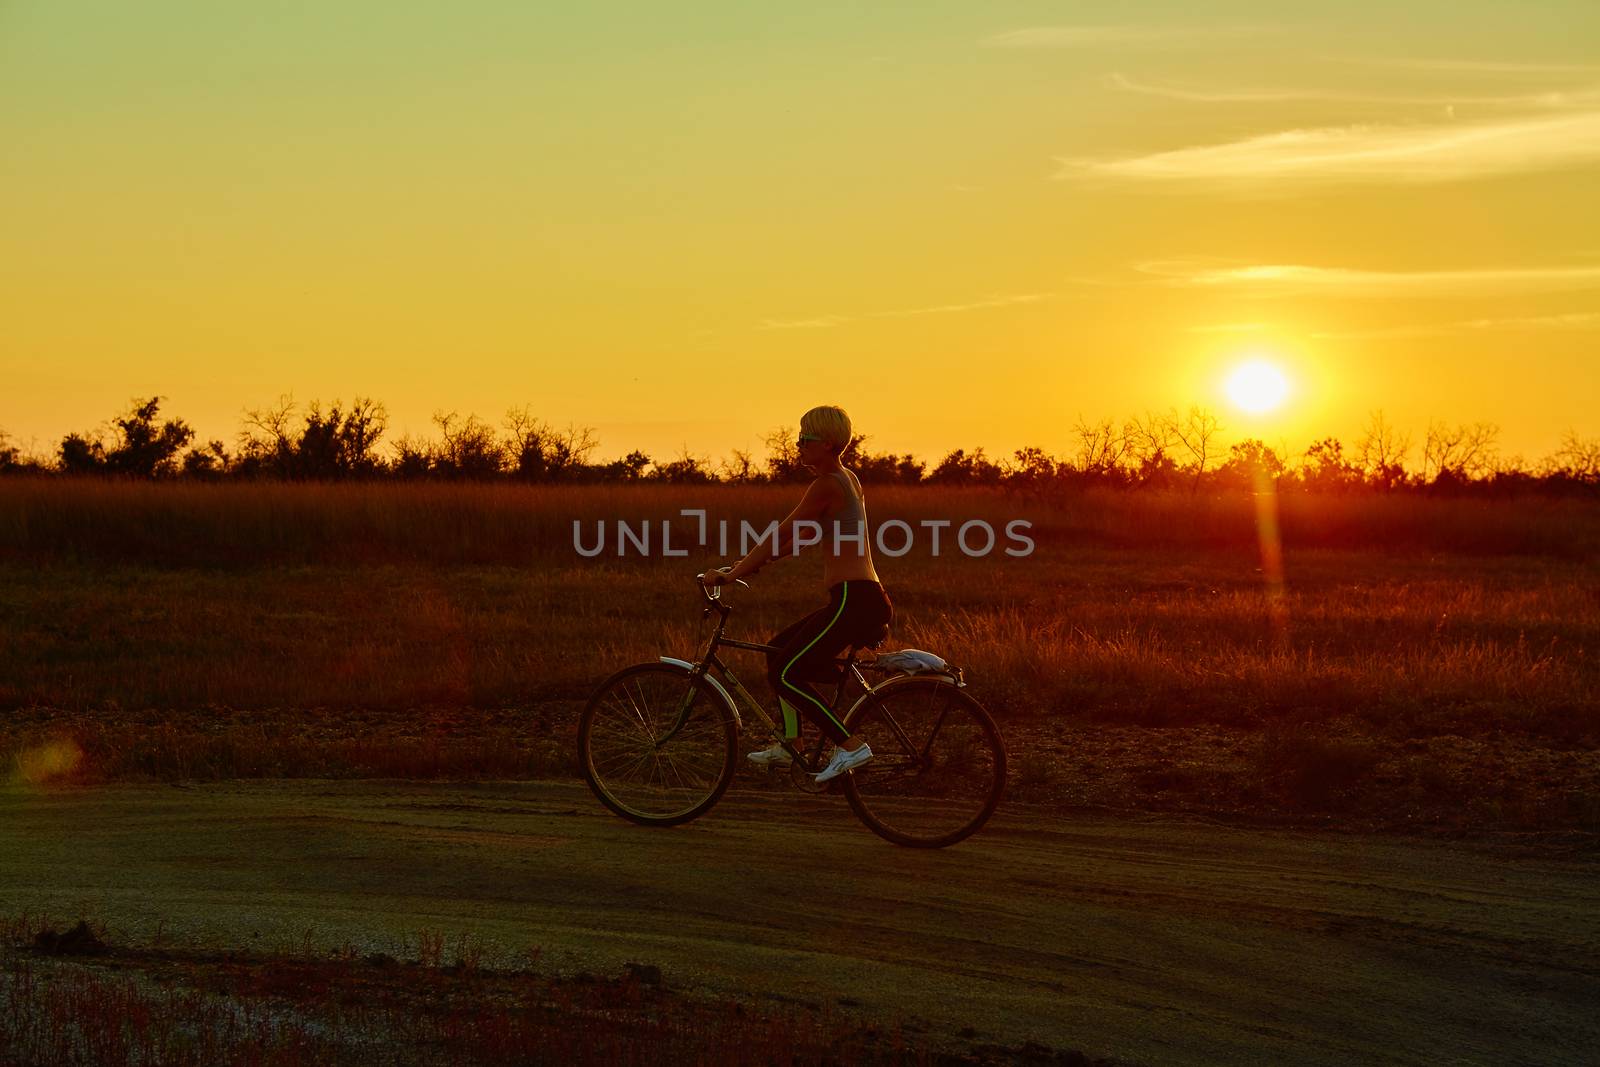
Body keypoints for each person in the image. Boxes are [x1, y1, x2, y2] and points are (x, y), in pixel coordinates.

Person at [699, 405, 893, 783]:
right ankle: (792, 745)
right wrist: (747, 565)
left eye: (806, 438)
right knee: (778, 655)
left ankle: (849, 746)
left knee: (787, 673)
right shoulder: (845, 479)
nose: (798, 443)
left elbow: (781, 533)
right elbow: (801, 538)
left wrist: (733, 573)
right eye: (799, 436)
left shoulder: (828, 484)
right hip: (856, 599)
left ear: (829, 443)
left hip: (854, 600)